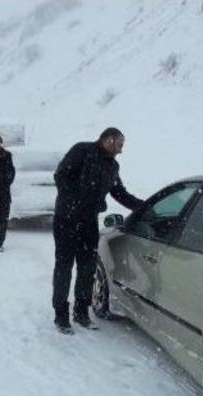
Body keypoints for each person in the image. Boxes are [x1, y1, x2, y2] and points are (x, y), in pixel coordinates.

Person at [51, 127, 144, 335]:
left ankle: (81, 312)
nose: (120, 150)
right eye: (119, 144)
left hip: (89, 222)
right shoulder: (82, 151)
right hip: (66, 219)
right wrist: (75, 203)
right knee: (64, 267)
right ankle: (61, 315)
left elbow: (119, 192)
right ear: (109, 140)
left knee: (87, 268)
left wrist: (144, 207)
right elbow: (61, 177)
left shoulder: (112, 165)